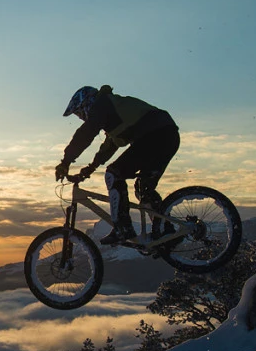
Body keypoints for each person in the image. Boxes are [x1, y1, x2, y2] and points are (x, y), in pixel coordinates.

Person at [55, 84, 180, 245]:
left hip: (155, 136)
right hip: (167, 136)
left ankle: (123, 228)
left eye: (80, 113)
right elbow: (109, 146)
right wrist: (90, 168)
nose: (81, 118)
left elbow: (87, 132)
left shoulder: (102, 104)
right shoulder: (112, 110)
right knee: (144, 188)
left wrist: (65, 161)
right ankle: (166, 233)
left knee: (114, 173)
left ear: (87, 103)